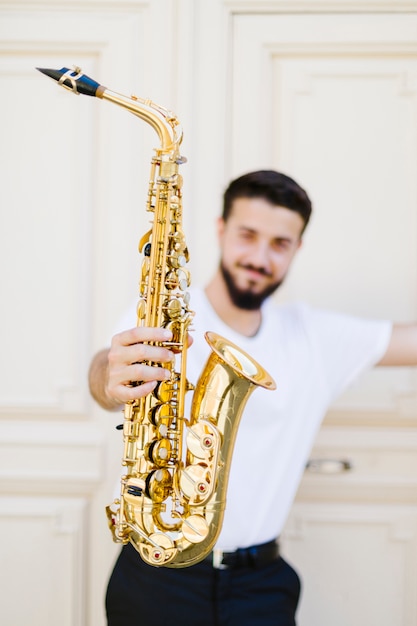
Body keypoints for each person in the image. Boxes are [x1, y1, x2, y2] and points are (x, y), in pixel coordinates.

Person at [89, 170, 417, 626]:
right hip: (156, 577)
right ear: (221, 229)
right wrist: (109, 379)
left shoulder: (314, 337)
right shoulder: (162, 314)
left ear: (297, 249)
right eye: (248, 235)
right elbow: (104, 371)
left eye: (280, 243)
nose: (260, 257)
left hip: (261, 586)